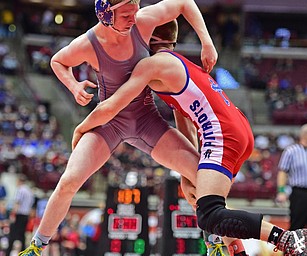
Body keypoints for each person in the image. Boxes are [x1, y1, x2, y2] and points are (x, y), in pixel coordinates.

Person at [72, 20, 307, 256]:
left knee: (210, 213)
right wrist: (190, 173)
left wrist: (81, 128)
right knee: (210, 206)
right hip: (236, 129)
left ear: (148, 38)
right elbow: (183, 116)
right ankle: (238, 252)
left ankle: (287, 239)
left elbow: (112, 106)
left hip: (222, 133)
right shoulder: (179, 64)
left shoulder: (152, 65)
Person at [19, 0, 217, 255]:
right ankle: (37, 246)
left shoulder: (142, 21)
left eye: (134, 11)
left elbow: (183, 2)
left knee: (203, 176)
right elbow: (57, 61)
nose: (133, 18)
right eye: (125, 15)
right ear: (105, 15)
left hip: (147, 120)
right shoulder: (88, 44)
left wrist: (207, 42)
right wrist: (73, 86)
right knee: (68, 181)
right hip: (109, 122)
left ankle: (215, 243)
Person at [276, 124, 307, 256]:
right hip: (299, 193)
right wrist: (282, 191)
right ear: (305, 136)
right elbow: (283, 172)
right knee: (297, 225)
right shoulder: (291, 151)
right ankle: (292, 253)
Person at [7, 175, 35, 255]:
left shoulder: (21, 190)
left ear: (19, 181)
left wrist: (13, 215)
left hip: (19, 215)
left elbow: (17, 203)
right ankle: (23, 252)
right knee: (22, 235)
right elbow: (31, 206)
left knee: (12, 235)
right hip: (26, 216)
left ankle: (8, 252)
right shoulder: (29, 191)